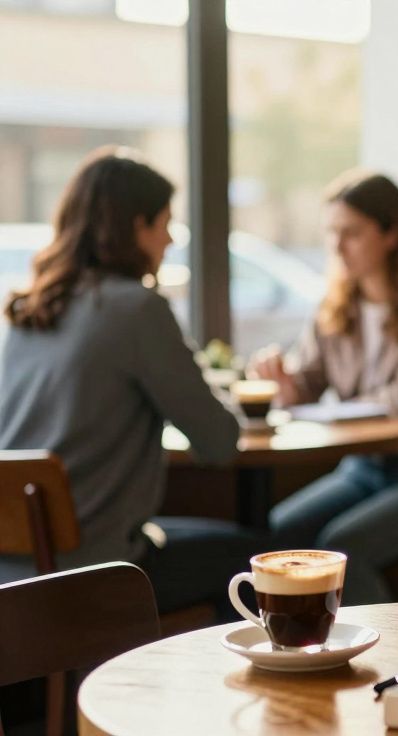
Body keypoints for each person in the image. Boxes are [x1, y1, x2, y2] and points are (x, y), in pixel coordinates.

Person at [0, 146, 253, 615]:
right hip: (94, 571)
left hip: (15, 569)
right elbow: (219, 441)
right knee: (258, 559)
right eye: (165, 224)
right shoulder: (137, 309)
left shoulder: (29, 310)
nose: (171, 240)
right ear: (138, 227)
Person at [249, 171, 398, 605]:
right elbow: (308, 384)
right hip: (362, 469)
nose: (337, 247)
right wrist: (283, 382)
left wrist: (343, 407)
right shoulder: (338, 302)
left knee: (344, 545)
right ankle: (291, 648)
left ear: (391, 233)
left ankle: (380, 656)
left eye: (351, 233)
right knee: (280, 533)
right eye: (331, 233)